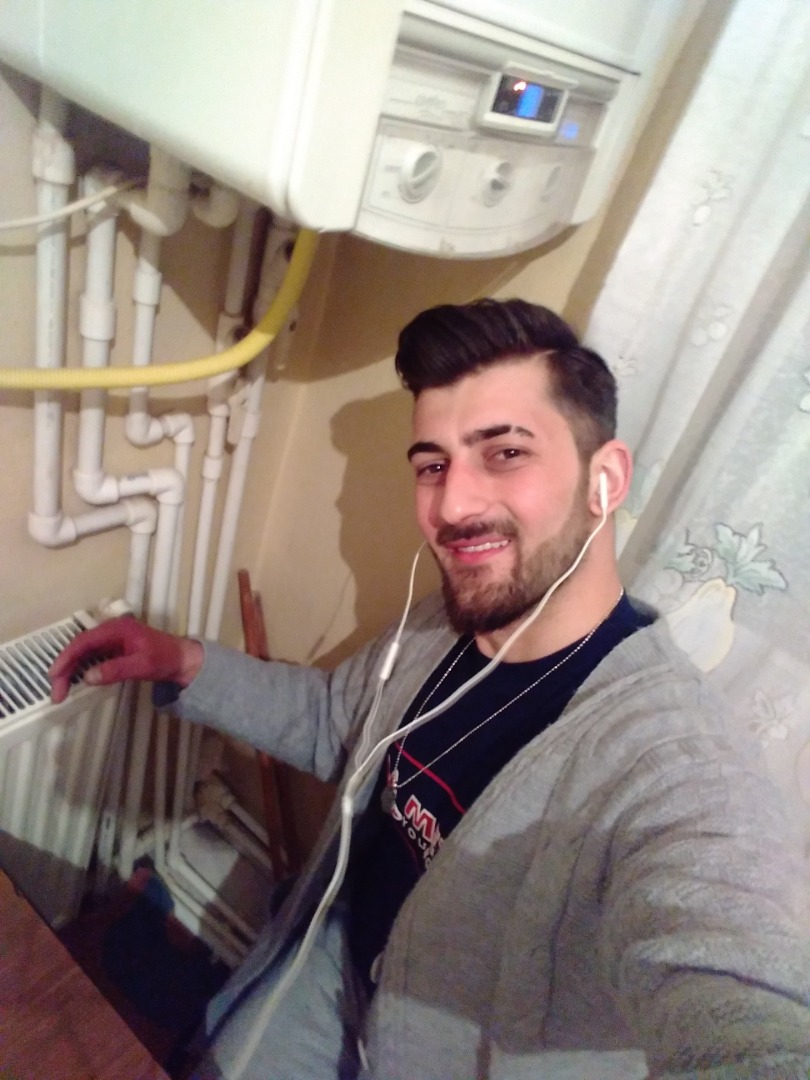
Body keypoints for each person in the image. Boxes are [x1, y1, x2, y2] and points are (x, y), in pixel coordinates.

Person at [50, 300, 810, 1080]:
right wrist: (178, 660)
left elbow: (740, 988)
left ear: (604, 478)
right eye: (433, 465)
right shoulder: (440, 627)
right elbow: (334, 722)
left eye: (506, 452)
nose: (452, 506)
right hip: (329, 968)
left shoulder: (674, 769)